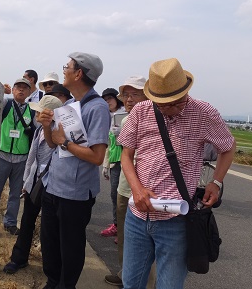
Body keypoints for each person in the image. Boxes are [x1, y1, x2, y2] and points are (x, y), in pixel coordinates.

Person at [118, 58, 236, 289]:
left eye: (176, 103)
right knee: (130, 283)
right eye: (162, 104)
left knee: (169, 286)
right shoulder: (141, 111)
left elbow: (228, 147)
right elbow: (126, 155)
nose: (169, 109)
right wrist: (137, 189)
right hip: (137, 216)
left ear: (185, 91)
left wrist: (216, 182)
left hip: (177, 220)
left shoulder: (204, 112)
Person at [39, 52, 111, 289]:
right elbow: (52, 144)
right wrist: (47, 127)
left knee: (70, 247)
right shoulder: (68, 104)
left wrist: (65, 142)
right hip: (54, 186)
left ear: (79, 73)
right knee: (49, 243)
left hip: (75, 193)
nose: (64, 70)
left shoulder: (97, 108)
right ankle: (52, 282)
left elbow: (97, 156)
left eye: (67, 67)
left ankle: (65, 285)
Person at [103, 76, 156, 288]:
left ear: (147, 95)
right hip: (126, 187)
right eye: (126, 95)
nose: (129, 99)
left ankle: (147, 283)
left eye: (135, 93)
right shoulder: (124, 121)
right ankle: (125, 274)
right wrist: (107, 163)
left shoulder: (155, 117)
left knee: (149, 241)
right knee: (126, 237)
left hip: (148, 190)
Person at [3, 95, 63, 274]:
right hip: (34, 183)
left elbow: (52, 151)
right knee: (27, 220)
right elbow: (32, 158)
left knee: (48, 227)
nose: (36, 114)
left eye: (39, 111)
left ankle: (50, 267)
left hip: (51, 184)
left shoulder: (59, 132)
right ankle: (19, 258)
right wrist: (26, 181)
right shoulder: (37, 130)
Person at [0, 78, 35, 236]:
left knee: (15, 193)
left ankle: (10, 223)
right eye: (18, 87)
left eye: (25, 88)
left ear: (29, 92)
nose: (21, 90)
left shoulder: (32, 110)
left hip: (21, 159)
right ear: (12, 90)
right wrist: (0, 92)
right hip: (2, 155)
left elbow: (37, 130)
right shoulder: (6, 104)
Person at [100, 88, 125, 238]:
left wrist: (121, 133)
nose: (107, 101)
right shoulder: (106, 118)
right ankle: (117, 225)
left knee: (125, 197)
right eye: (104, 99)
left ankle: (123, 230)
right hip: (115, 161)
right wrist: (105, 164)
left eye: (110, 98)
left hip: (128, 161)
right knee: (114, 194)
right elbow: (108, 144)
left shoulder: (125, 114)